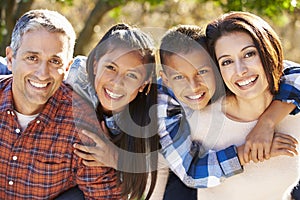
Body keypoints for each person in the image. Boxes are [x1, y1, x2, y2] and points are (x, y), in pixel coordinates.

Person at [157, 24, 299, 199]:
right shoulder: (164, 105)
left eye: (202, 72)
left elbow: (293, 73)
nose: (193, 87)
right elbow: (191, 171)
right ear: (166, 80)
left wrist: (266, 122)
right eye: (179, 77)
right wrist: (249, 151)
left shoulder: (238, 80)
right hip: (183, 172)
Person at [0, 9, 121, 199]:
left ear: (67, 67)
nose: (42, 73)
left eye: (55, 61)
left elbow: (105, 196)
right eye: (32, 58)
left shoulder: (81, 122)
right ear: (10, 58)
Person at [64, 23, 161, 200]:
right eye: (111, 68)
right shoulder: (76, 75)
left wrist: (116, 158)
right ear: (94, 65)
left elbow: (158, 170)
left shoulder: (153, 114)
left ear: (144, 83)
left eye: (132, 75)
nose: (117, 83)